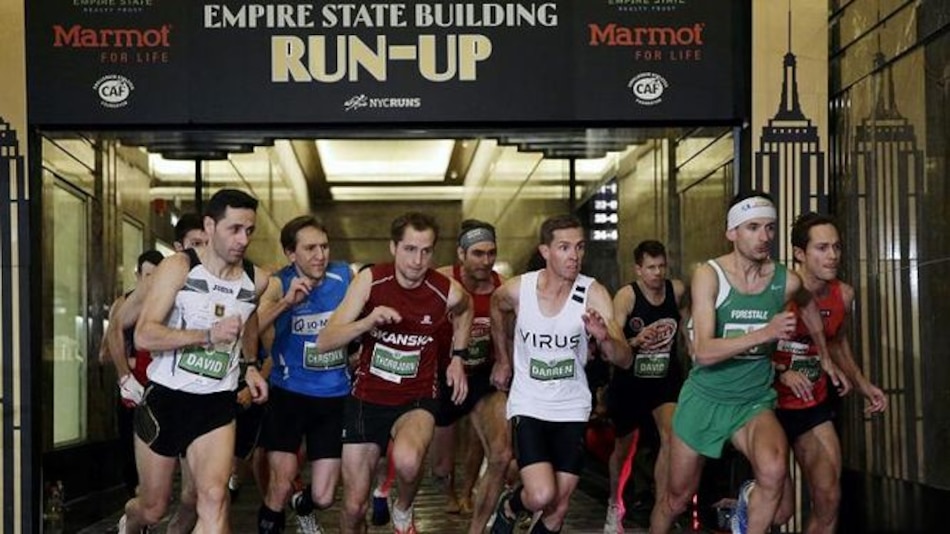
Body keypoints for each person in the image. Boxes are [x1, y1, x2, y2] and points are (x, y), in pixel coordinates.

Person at [647, 192, 850, 534]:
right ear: (732, 233)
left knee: (773, 471)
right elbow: (703, 352)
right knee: (676, 499)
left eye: (769, 228)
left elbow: (809, 305)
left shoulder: (785, 279)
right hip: (705, 399)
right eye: (753, 227)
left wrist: (825, 357)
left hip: (752, 402)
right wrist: (765, 333)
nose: (764, 237)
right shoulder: (709, 275)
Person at [119, 189, 270, 533]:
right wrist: (207, 335)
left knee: (214, 498)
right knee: (153, 507)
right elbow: (144, 335)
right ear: (209, 225)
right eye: (234, 229)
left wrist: (249, 366)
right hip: (166, 401)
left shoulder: (256, 280)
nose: (243, 239)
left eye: (249, 230)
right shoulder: (179, 268)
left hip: (216, 405)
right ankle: (131, 521)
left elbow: (250, 318)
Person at [316, 212, 473, 534]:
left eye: (426, 251)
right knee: (354, 506)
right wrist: (367, 321)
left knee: (407, 460)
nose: (418, 260)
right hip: (367, 398)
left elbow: (466, 307)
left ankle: (403, 508)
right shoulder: (371, 281)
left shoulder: (445, 289)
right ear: (393, 247)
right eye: (410, 249)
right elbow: (324, 341)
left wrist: (458, 356)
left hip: (416, 398)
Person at [489, 214, 633, 534]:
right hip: (530, 403)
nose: (574, 256)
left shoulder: (593, 293)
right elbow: (496, 307)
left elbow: (624, 359)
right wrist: (503, 359)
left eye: (579, 247)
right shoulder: (518, 290)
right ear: (545, 251)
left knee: (559, 507)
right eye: (565, 247)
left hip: (571, 407)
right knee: (542, 495)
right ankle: (512, 505)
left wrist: (605, 337)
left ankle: (519, 511)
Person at [770, 212, 887, 534]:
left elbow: (836, 343)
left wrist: (864, 385)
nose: (833, 255)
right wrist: (780, 372)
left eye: (836, 247)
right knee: (780, 513)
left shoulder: (843, 294)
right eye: (822, 248)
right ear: (799, 254)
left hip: (813, 406)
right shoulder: (775, 292)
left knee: (829, 497)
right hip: (769, 406)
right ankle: (742, 503)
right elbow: (747, 346)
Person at [103, 214, 208, 533]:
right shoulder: (160, 279)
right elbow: (117, 326)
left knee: (195, 496)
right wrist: (125, 377)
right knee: (153, 506)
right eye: (196, 244)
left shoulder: (223, 280)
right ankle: (131, 523)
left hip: (201, 399)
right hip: (158, 398)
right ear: (180, 248)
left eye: (208, 242)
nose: (205, 250)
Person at [255, 215, 352, 534]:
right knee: (280, 486)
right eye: (309, 248)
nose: (320, 255)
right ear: (290, 253)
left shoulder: (343, 276)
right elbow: (250, 329)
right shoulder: (277, 282)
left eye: (324, 246)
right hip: (289, 394)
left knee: (325, 496)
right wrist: (286, 303)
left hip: (334, 396)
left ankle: (304, 505)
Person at [430, 219, 513, 534]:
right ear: (461, 254)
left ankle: (472, 504)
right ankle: (450, 489)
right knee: (439, 467)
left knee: (499, 450)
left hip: (482, 378)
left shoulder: (502, 288)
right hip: (443, 378)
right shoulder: (439, 281)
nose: (486, 260)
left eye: (491, 253)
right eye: (478, 253)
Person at [604, 240, 687, 533]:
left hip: (664, 380)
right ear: (638, 269)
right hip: (631, 382)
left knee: (672, 436)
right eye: (651, 267)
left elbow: (688, 326)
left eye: (662, 266)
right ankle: (615, 503)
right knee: (624, 449)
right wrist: (635, 342)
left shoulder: (675, 291)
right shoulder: (626, 297)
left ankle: (663, 505)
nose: (657, 272)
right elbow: (612, 345)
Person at [102, 249, 165, 497]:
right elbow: (104, 352)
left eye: (156, 275)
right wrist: (128, 368)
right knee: (131, 450)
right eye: (147, 275)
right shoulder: (124, 303)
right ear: (138, 275)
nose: (150, 281)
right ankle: (135, 497)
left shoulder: (166, 302)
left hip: (160, 387)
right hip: (133, 387)